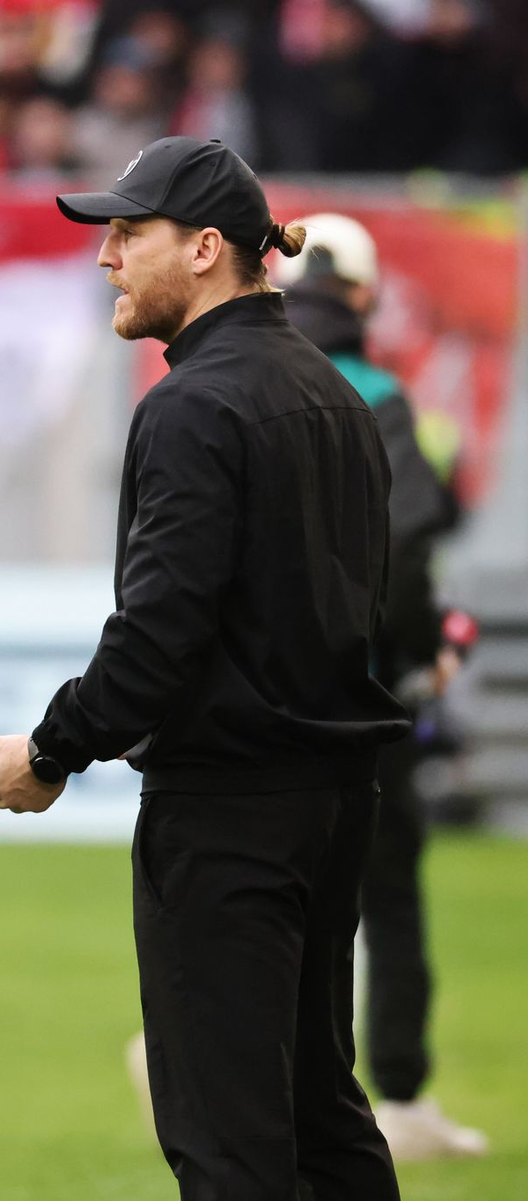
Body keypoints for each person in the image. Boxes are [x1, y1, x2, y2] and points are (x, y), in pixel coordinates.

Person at [0, 136, 409, 1200]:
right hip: (335, 800)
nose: (106, 257)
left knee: (229, 1140)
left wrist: (51, 748)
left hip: (229, 815)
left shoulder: (193, 407)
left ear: (207, 247)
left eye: (129, 233)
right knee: (322, 1118)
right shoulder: (337, 396)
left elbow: (160, 634)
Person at [280, 213, 488, 1161]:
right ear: (361, 295)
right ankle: (395, 1095)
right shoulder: (378, 395)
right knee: (383, 895)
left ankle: (205, 1058)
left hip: (243, 702)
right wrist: (412, 659)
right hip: (355, 701)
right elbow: (403, 550)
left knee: (257, 895)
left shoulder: (224, 384)